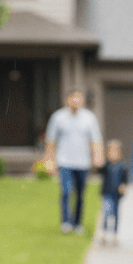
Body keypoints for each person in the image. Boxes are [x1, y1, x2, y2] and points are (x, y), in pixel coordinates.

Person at [44, 90, 103, 233]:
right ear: (67, 100)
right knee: (66, 191)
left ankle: (77, 223)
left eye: (78, 98)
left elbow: (96, 140)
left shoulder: (89, 118)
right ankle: (66, 222)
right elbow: (51, 141)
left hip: (83, 162)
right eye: (73, 98)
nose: (76, 101)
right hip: (64, 162)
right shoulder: (58, 117)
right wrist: (49, 161)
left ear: (82, 101)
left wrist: (98, 157)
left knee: (80, 194)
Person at [99, 139, 127, 241]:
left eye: (115, 152)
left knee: (116, 214)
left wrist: (124, 186)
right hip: (107, 193)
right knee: (107, 212)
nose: (113, 154)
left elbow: (125, 179)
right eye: (110, 152)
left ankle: (115, 232)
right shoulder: (106, 165)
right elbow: (99, 171)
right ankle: (104, 231)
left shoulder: (122, 165)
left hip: (117, 194)